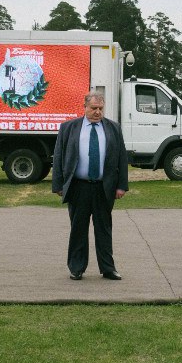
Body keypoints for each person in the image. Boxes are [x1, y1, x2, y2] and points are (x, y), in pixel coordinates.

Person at [52, 92, 129, 280]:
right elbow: (59, 157)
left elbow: (121, 158)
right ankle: (76, 268)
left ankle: (108, 268)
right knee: (78, 228)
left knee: (104, 229)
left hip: (104, 188)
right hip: (79, 187)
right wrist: (59, 185)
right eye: (94, 108)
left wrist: (121, 186)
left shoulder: (113, 128)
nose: (97, 112)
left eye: (101, 108)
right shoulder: (69, 128)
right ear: (85, 107)